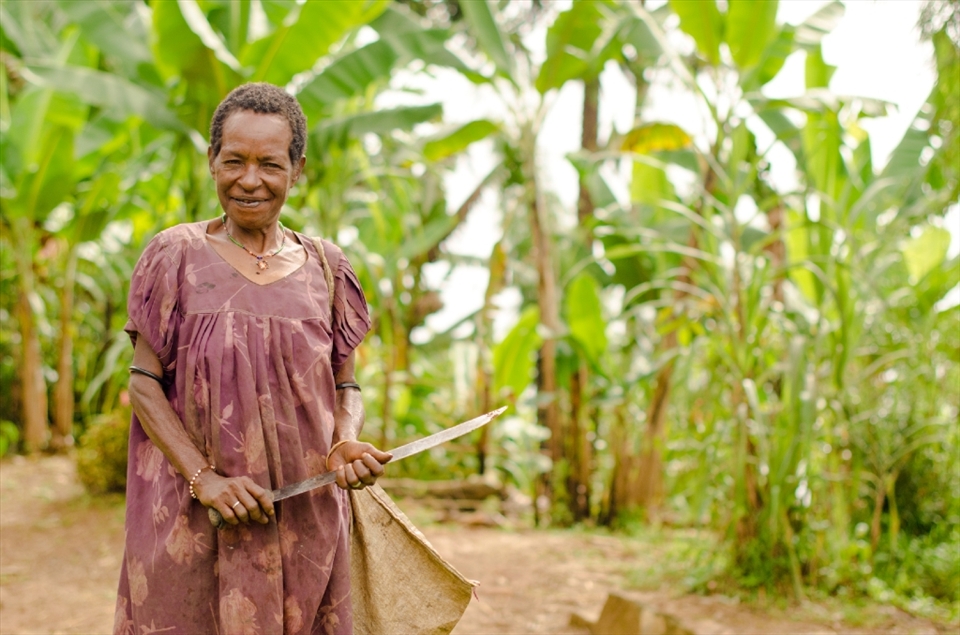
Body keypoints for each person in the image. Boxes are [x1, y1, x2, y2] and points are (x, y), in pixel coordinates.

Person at [114, 82, 391, 635]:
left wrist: (343, 441)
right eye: (233, 160)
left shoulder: (328, 269)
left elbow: (346, 386)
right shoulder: (176, 256)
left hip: (302, 521)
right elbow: (145, 383)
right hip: (194, 522)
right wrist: (205, 480)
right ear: (211, 161)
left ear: (298, 169)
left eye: (269, 164)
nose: (249, 179)